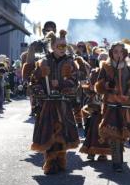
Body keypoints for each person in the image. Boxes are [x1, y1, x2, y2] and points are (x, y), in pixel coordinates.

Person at [31, 30, 80, 175]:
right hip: (47, 104)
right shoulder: (43, 61)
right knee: (49, 132)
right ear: (52, 46)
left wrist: (60, 84)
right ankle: (50, 161)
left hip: (63, 103)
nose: (62, 49)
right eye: (59, 46)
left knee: (63, 132)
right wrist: (40, 87)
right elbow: (34, 81)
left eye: (64, 46)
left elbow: (75, 81)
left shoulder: (71, 62)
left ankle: (61, 159)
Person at [95, 42, 130, 172]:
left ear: (125, 53)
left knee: (122, 133)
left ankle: (118, 156)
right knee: (114, 133)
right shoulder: (106, 67)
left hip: (125, 105)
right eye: (115, 52)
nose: (118, 54)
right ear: (111, 53)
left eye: (121, 51)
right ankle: (117, 162)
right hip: (111, 104)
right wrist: (108, 84)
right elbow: (98, 86)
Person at [79, 52, 110, 161]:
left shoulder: (111, 74)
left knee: (105, 130)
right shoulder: (94, 72)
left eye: (105, 58)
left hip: (107, 107)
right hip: (95, 106)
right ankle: (91, 151)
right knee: (92, 129)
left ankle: (103, 153)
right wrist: (89, 88)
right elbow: (88, 91)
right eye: (101, 58)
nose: (103, 60)